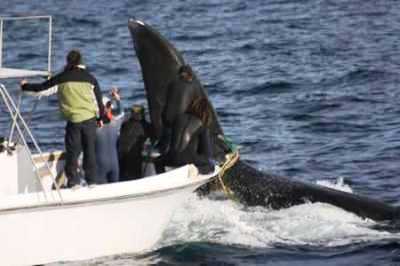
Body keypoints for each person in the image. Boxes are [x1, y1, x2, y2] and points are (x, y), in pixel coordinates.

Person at [21, 49, 105, 188]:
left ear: (68, 62)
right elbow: (99, 102)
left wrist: (25, 86)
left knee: (73, 151)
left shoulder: (62, 78)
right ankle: (92, 181)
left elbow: (42, 89)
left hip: (74, 121)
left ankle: (74, 182)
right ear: (81, 62)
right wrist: (100, 118)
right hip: (90, 120)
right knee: (90, 150)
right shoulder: (90, 78)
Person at [156, 97, 215, 174]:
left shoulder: (177, 119)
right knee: (211, 164)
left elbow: (164, 144)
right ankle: (197, 170)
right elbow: (208, 154)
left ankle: (162, 176)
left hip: (171, 158)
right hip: (188, 160)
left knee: (157, 160)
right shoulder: (202, 127)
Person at [157, 64, 203, 154]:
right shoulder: (194, 86)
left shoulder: (172, 84)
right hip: (180, 122)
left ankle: (163, 147)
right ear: (190, 75)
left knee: (166, 136)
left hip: (166, 119)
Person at [95, 87, 125, 183]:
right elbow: (121, 112)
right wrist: (117, 99)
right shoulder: (116, 123)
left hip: (100, 166)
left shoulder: (93, 127)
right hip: (115, 165)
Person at [118, 104, 152, 180]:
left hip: (122, 162)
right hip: (135, 162)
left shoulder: (125, 124)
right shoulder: (146, 126)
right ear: (142, 113)